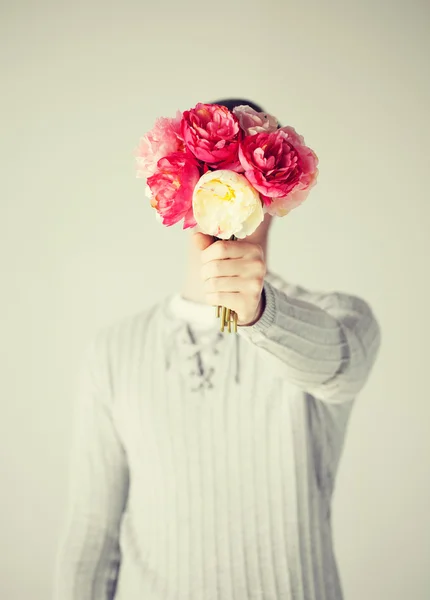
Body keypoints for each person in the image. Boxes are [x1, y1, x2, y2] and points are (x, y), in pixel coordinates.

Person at [54, 99, 381, 600]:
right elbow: (92, 532)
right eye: (212, 176)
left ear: (275, 194)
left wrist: (259, 312)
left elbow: (340, 367)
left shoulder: (338, 318)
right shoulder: (114, 352)